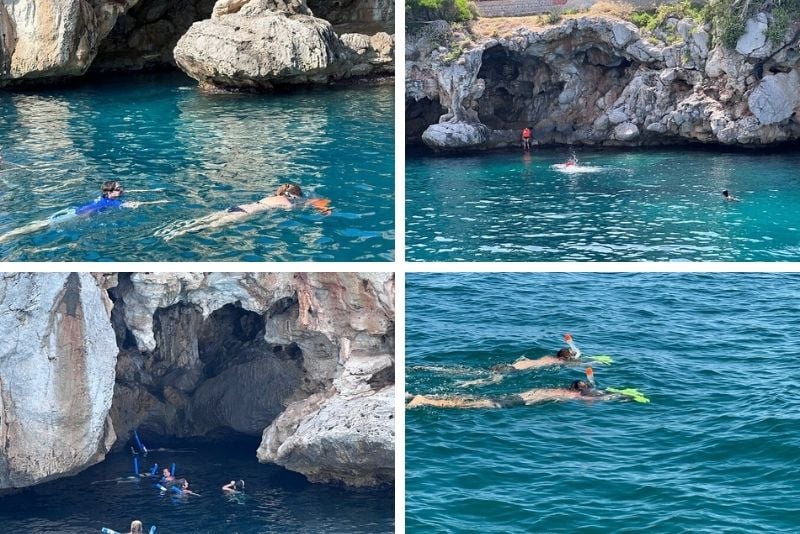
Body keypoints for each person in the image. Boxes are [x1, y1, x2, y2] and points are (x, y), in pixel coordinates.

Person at [157, 182, 332, 241]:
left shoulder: (272, 197)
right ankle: (176, 234)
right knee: (210, 227)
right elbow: (317, 201)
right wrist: (325, 210)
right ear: (296, 195)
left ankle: (174, 229)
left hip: (238, 207)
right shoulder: (288, 202)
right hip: (244, 214)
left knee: (203, 220)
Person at [407, 379, 605, 409]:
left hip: (525, 393)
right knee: (472, 404)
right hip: (520, 400)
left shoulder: (562, 390)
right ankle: (424, 400)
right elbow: (592, 401)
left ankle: (418, 396)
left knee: (475, 399)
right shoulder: (576, 396)